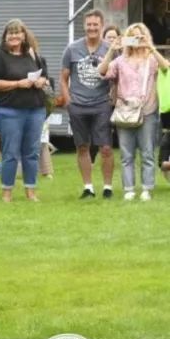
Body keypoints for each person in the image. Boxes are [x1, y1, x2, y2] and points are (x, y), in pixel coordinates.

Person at [99, 23, 170, 201]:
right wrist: (111, 50)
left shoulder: (151, 60)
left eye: (139, 36)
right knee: (126, 154)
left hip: (148, 111)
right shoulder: (120, 61)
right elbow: (102, 72)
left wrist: (150, 47)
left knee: (147, 153)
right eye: (132, 37)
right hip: (125, 112)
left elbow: (165, 67)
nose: (136, 40)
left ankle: (146, 188)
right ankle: (129, 189)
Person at [0, 19, 50, 203]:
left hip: (35, 110)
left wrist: (41, 81)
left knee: (32, 152)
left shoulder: (32, 53)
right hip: (9, 111)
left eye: (17, 32)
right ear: (5, 36)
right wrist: (17, 84)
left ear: (24, 35)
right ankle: (7, 192)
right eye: (11, 33)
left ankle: (31, 191)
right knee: (11, 153)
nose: (14, 36)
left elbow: (45, 76)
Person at [60, 10, 115, 199]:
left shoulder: (110, 49)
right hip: (78, 105)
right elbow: (63, 77)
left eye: (95, 25)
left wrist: (113, 97)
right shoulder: (72, 49)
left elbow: (117, 76)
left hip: (101, 104)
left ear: (101, 26)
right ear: (84, 26)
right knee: (82, 146)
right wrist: (68, 101)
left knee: (105, 147)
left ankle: (107, 187)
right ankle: (88, 187)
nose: (92, 28)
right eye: (89, 24)